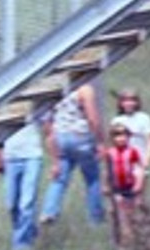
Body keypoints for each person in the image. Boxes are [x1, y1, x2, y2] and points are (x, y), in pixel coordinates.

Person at [39, 82, 106, 227]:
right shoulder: (84, 90)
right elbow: (92, 118)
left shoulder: (56, 89)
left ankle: (49, 211)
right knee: (92, 179)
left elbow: (47, 124)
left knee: (59, 178)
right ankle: (96, 219)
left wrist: (54, 155)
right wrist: (100, 141)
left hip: (61, 136)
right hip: (80, 136)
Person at [0, 117, 45, 250]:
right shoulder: (3, 110)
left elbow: (48, 124)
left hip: (32, 156)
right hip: (11, 159)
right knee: (11, 204)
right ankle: (30, 230)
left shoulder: (32, 106)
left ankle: (21, 245)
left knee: (27, 203)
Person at [105, 121, 145, 249]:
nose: (121, 138)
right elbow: (107, 171)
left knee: (132, 212)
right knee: (118, 213)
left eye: (124, 135)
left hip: (130, 186)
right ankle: (121, 240)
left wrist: (139, 184)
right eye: (117, 136)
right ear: (112, 138)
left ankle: (135, 238)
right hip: (117, 188)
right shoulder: (110, 153)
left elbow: (139, 169)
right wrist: (105, 185)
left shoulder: (132, 152)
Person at [110, 87, 150, 197]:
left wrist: (146, 162)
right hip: (123, 166)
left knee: (138, 199)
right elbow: (114, 146)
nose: (129, 104)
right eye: (125, 101)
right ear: (120, 103)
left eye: (132, 100)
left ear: (137, 102)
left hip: (139, 165)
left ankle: (147, 214)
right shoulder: (117, 121)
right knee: (122, 200)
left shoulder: (144, 118)